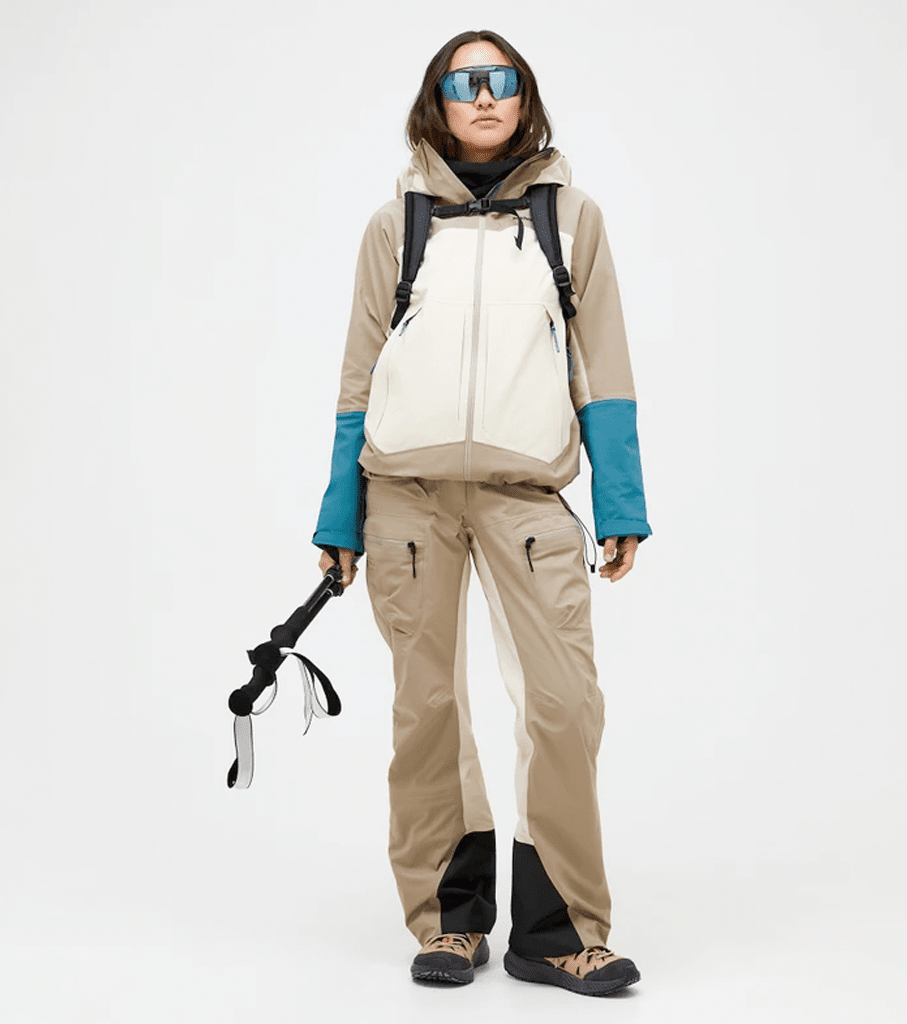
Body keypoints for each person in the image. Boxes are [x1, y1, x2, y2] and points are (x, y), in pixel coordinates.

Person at [312, 29, 651, 997]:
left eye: (504, 79)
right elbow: (357, 377)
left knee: (563, 702)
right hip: (404, 497)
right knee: (427, 707)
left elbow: (604, 366)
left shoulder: (570, 219)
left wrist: (620, 499)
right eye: (466, 82)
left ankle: (556, 930)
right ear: (439, 102)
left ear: (525, 98)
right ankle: (450, 920)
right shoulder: (395, 226)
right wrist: (339, 517)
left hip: (525, 495)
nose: (486, 95)